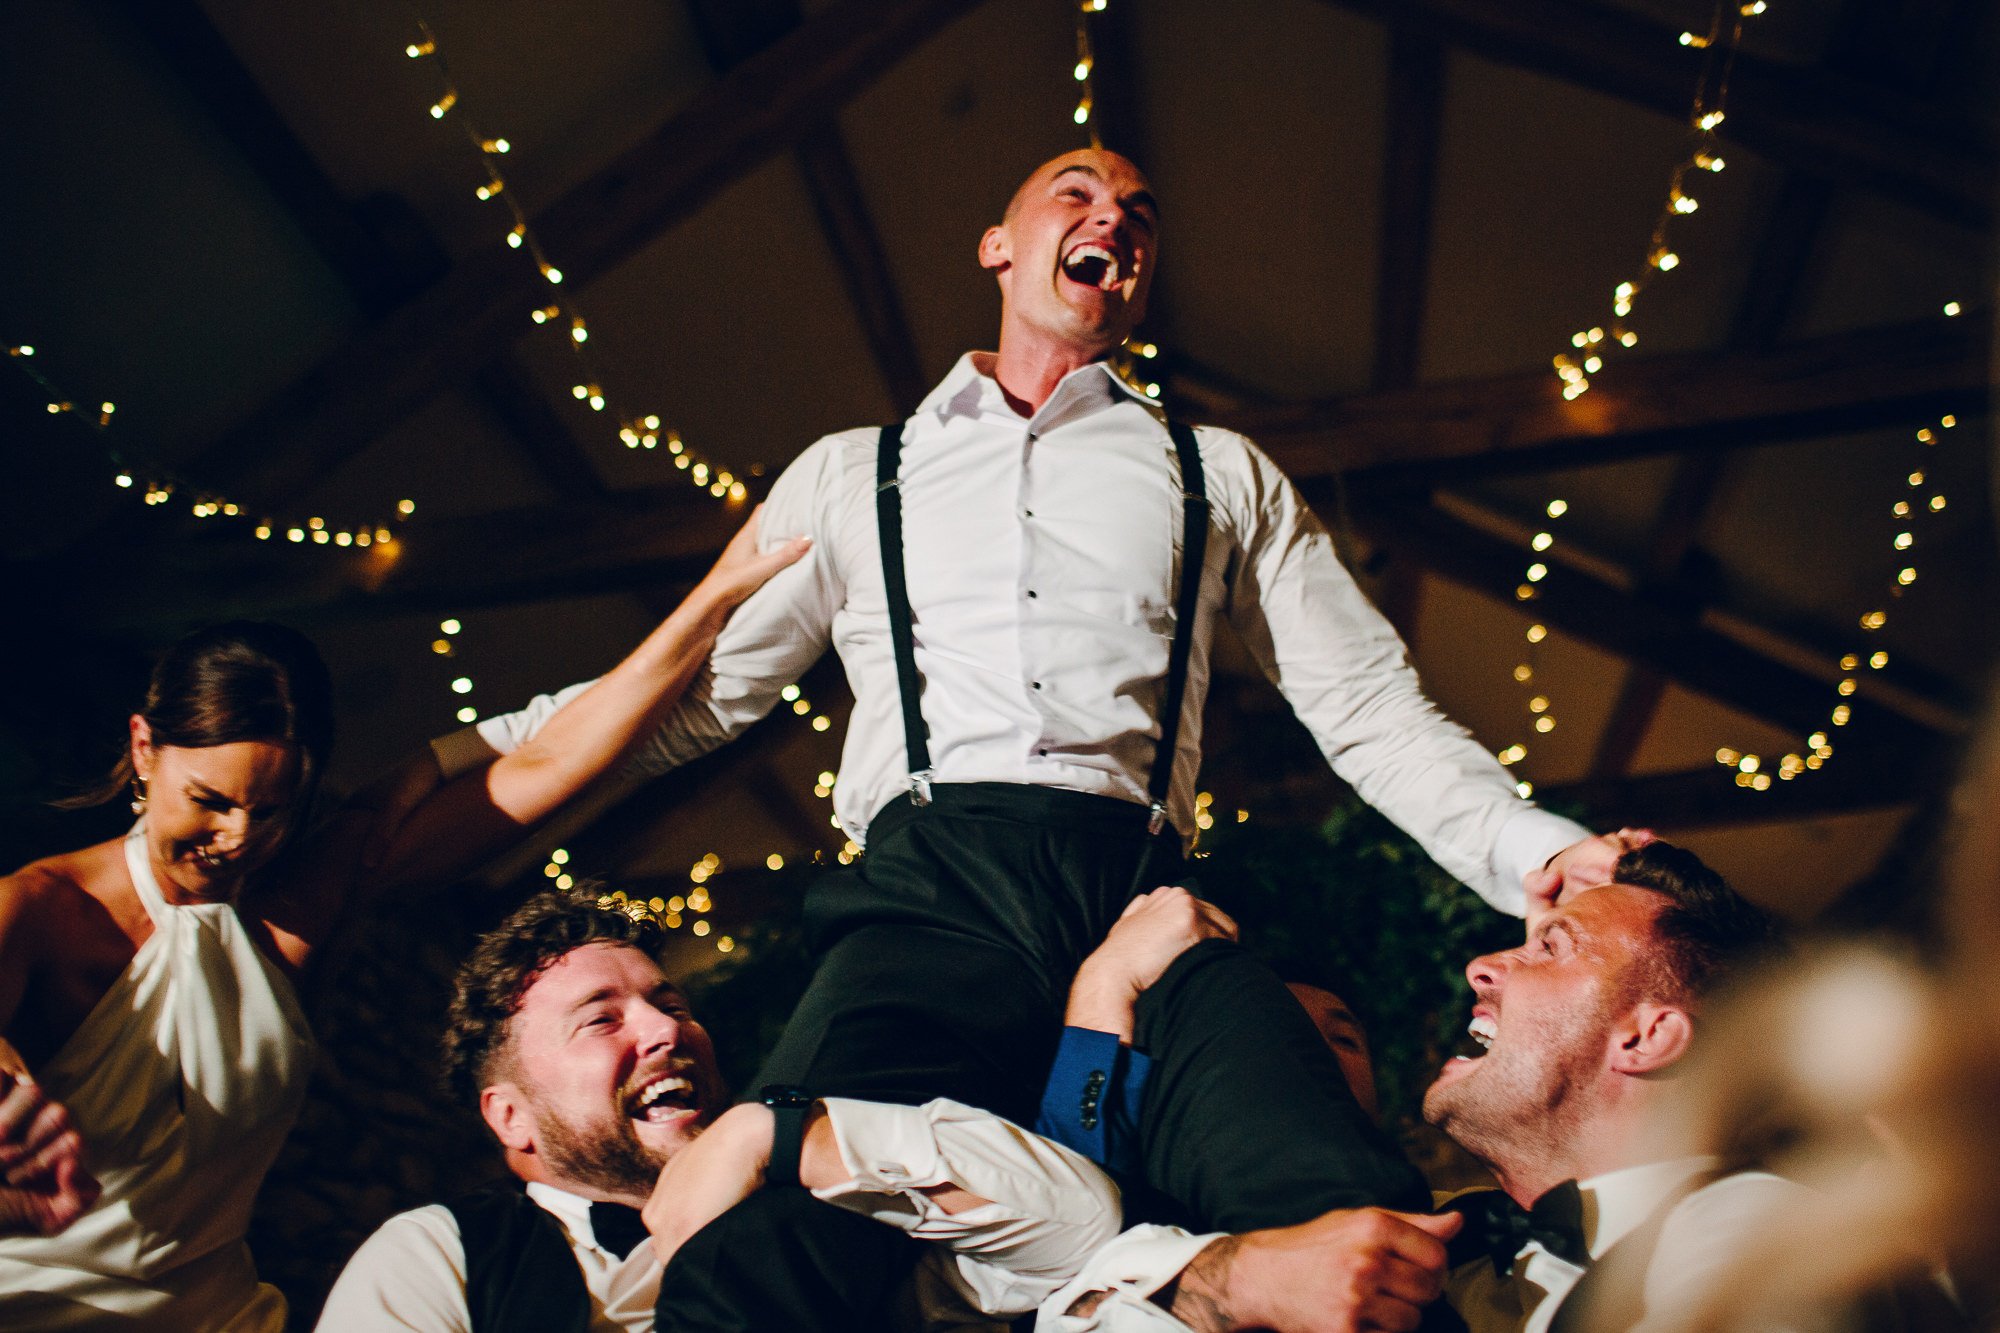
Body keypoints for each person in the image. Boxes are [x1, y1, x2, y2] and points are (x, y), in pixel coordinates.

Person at [433, 148, 1639, 1325]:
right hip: (924, 896)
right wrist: (455, 765)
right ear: (998, 249)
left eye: (1139, 213)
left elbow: (1365, 706)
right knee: (774, 1247)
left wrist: (1532, 853)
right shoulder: (857, 474)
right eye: (1077, 192)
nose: (1113, 214)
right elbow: (698, 696)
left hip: (1141, 902)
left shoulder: (1215, 473)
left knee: (1330, 1192)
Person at [0, 516, 805, 1329]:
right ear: (144, 748)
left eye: (272, 809)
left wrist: (711, 596)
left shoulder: (295, 908)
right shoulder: (36, 907)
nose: (239, 838)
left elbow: (551, 762)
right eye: (209, 800)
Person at [1037, 842, 1798, 1333]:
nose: (1482, 965)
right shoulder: (1432, 1248)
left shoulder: (1767, 1238)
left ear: (1646, 1035)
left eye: (1549, 947)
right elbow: (1049, 1293)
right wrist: (1233, 1282)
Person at [316, 888, 1124, 1332]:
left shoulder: (825, 1195)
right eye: (602, 1018)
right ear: (511, 1118)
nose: (668, 1027)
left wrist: (771, 1134)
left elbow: (1079, 1233)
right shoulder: (439, 1255)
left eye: (669, 1002)